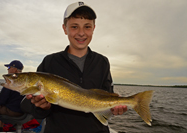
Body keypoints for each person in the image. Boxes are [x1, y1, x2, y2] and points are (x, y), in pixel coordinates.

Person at [23, 2, 127, 133]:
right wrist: (42, 107)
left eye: (87, 27)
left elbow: (106, 94)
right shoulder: (49, 62)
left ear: (94, 28)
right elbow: (36, 112)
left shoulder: (103, 62)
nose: (81, 33)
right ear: (65, 28)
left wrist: (114, 108)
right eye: (74, 27)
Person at [0, 60, 24, 133]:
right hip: (23, 111)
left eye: (9, 67)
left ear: (15, 69)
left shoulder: (11, 82)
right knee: (2, 106)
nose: (8, 69)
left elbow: (0, 101)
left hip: (13, 111)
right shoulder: (25, 81)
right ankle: (0, 127)